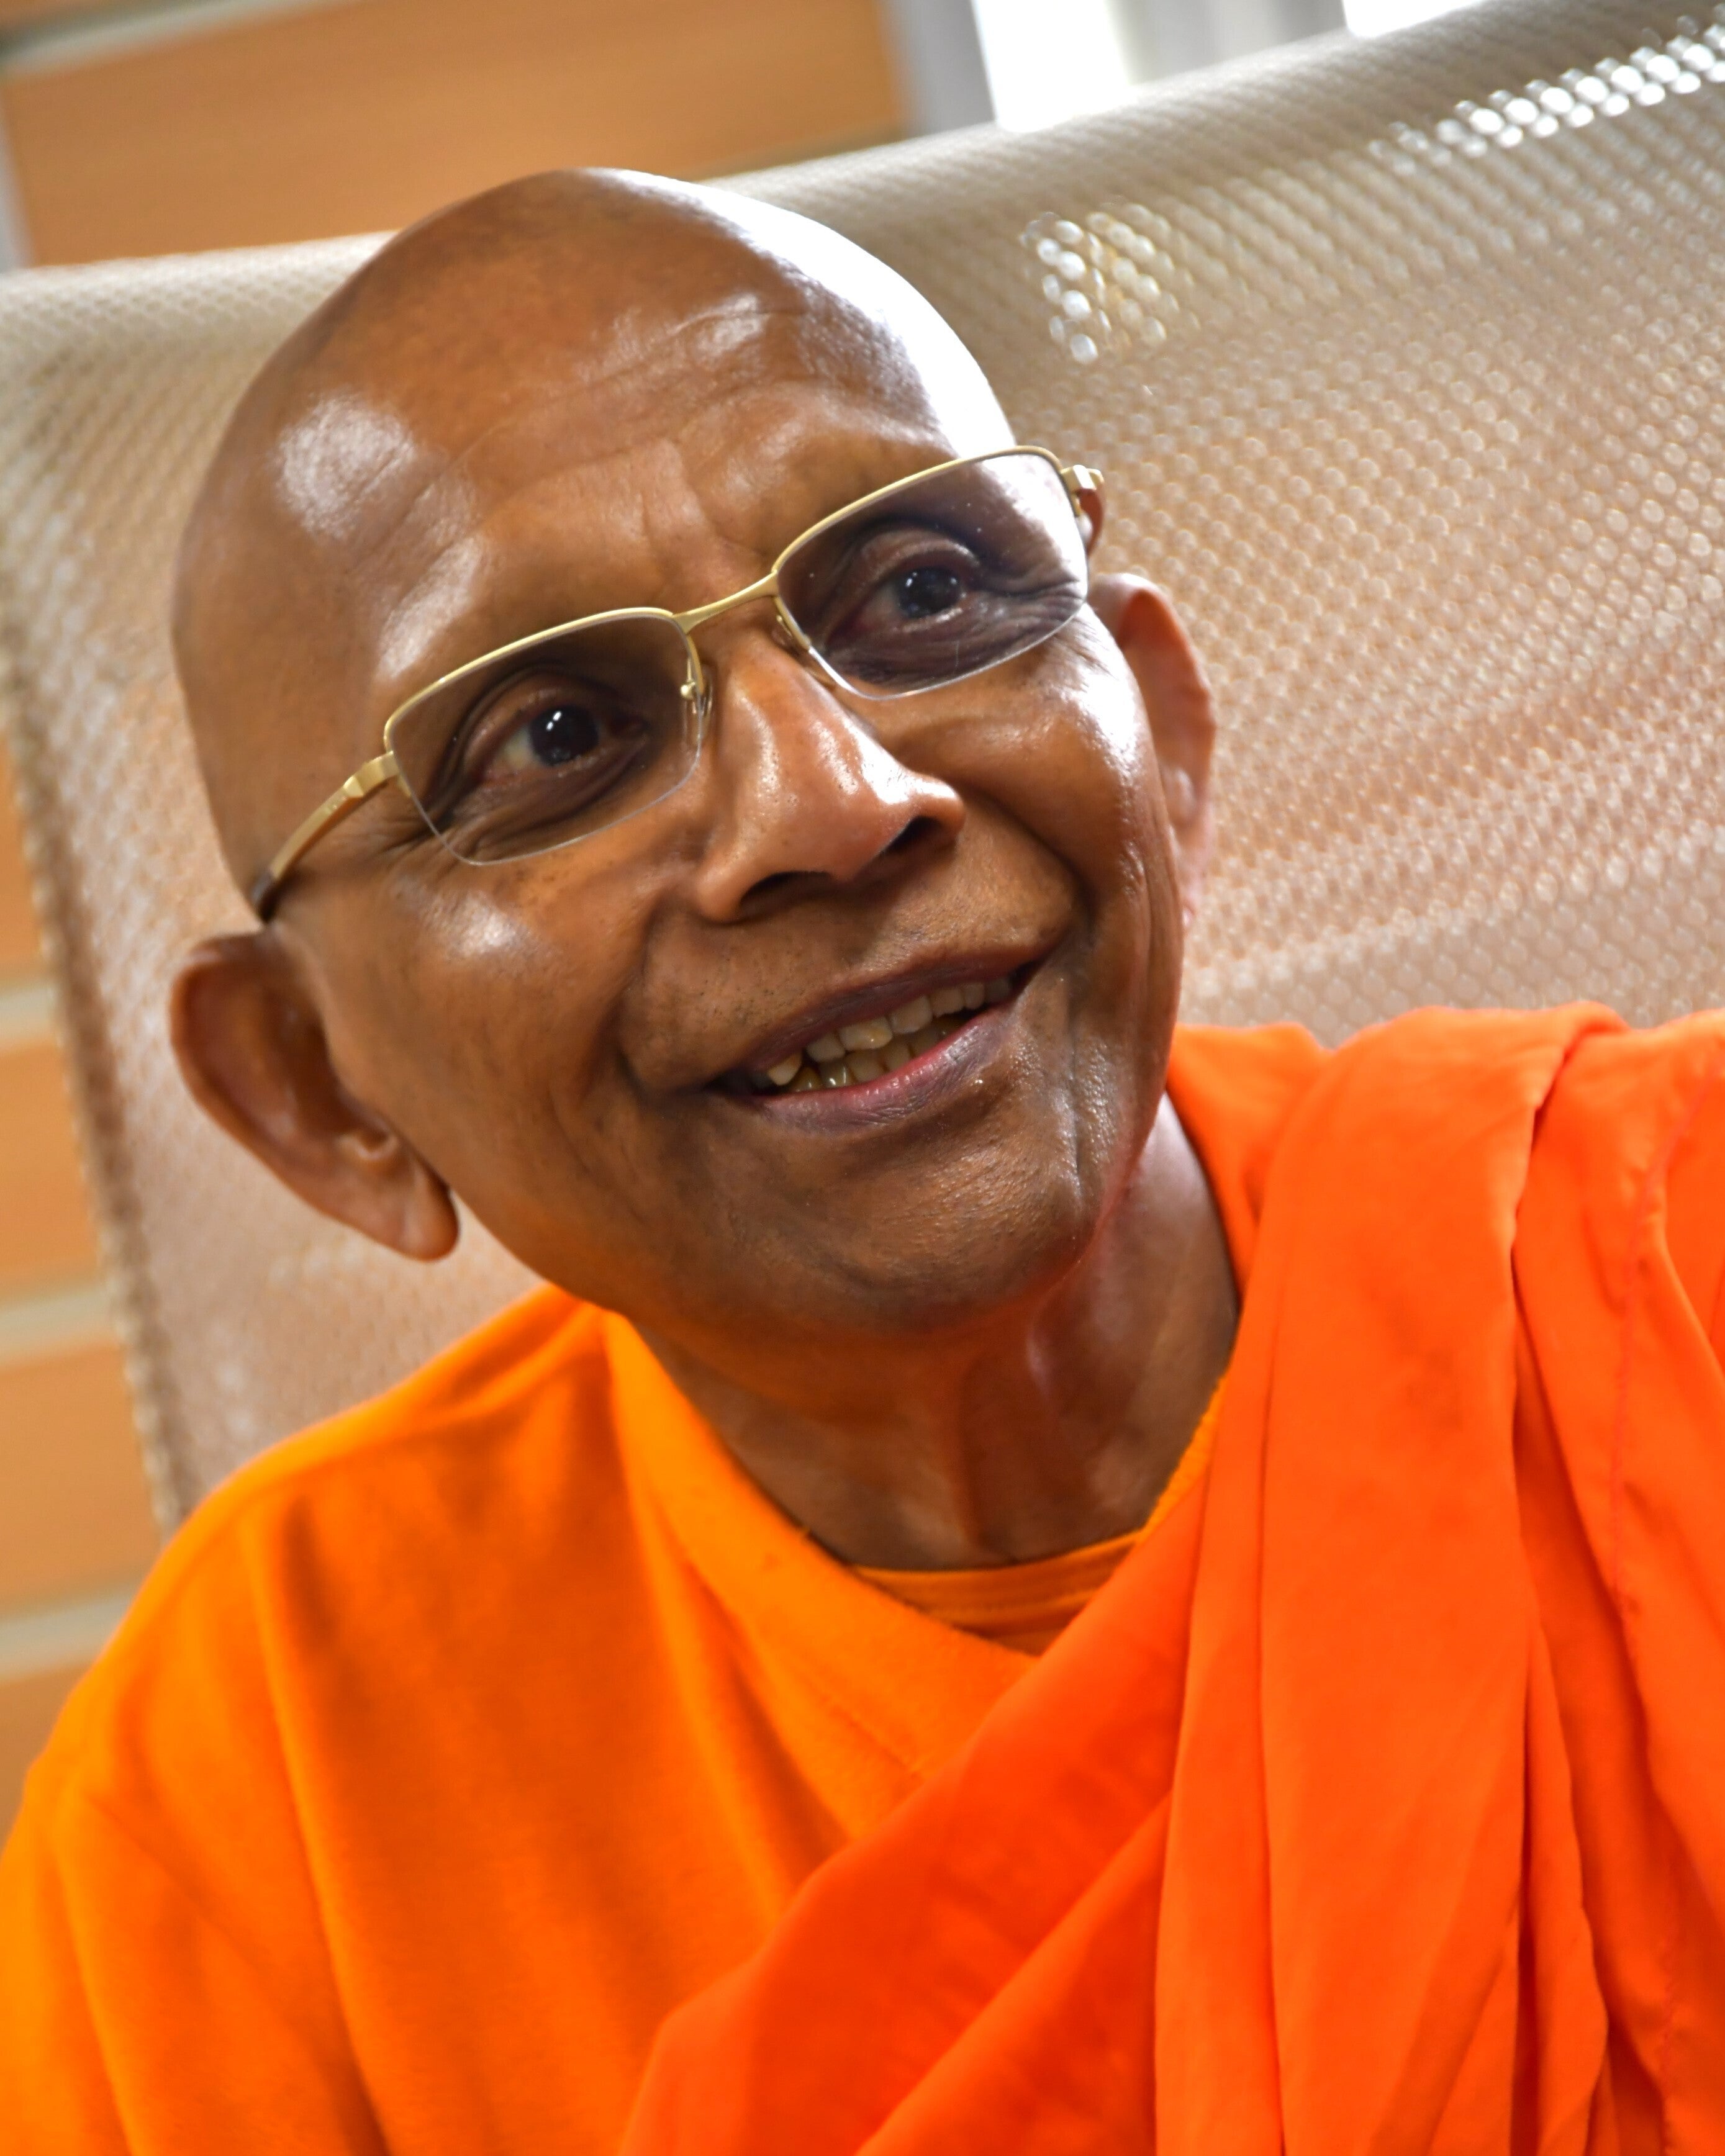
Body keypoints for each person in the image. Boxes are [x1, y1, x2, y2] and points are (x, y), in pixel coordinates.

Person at [1, 166, 1721, 2155]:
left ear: (1158, 732)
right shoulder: (264, 1765)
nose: (833, 800)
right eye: (552, 738)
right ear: (318, 1088)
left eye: (918, 593)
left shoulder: (1656, 1259)